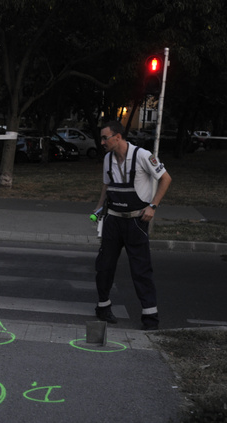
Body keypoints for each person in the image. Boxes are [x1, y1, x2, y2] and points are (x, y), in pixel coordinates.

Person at [92, 121, 172, 330]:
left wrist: (153, 206)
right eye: (101, 138)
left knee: (141, 269)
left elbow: (166, 178)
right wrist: (99, 208)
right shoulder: (108, 159)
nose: (101, 142)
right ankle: (103, 306)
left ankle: (150, 318)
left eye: (104, 138)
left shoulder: (143, 156)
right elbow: (106, 185)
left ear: (117, 137)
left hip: (136, 222)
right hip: (112, 219)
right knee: (104, 265)